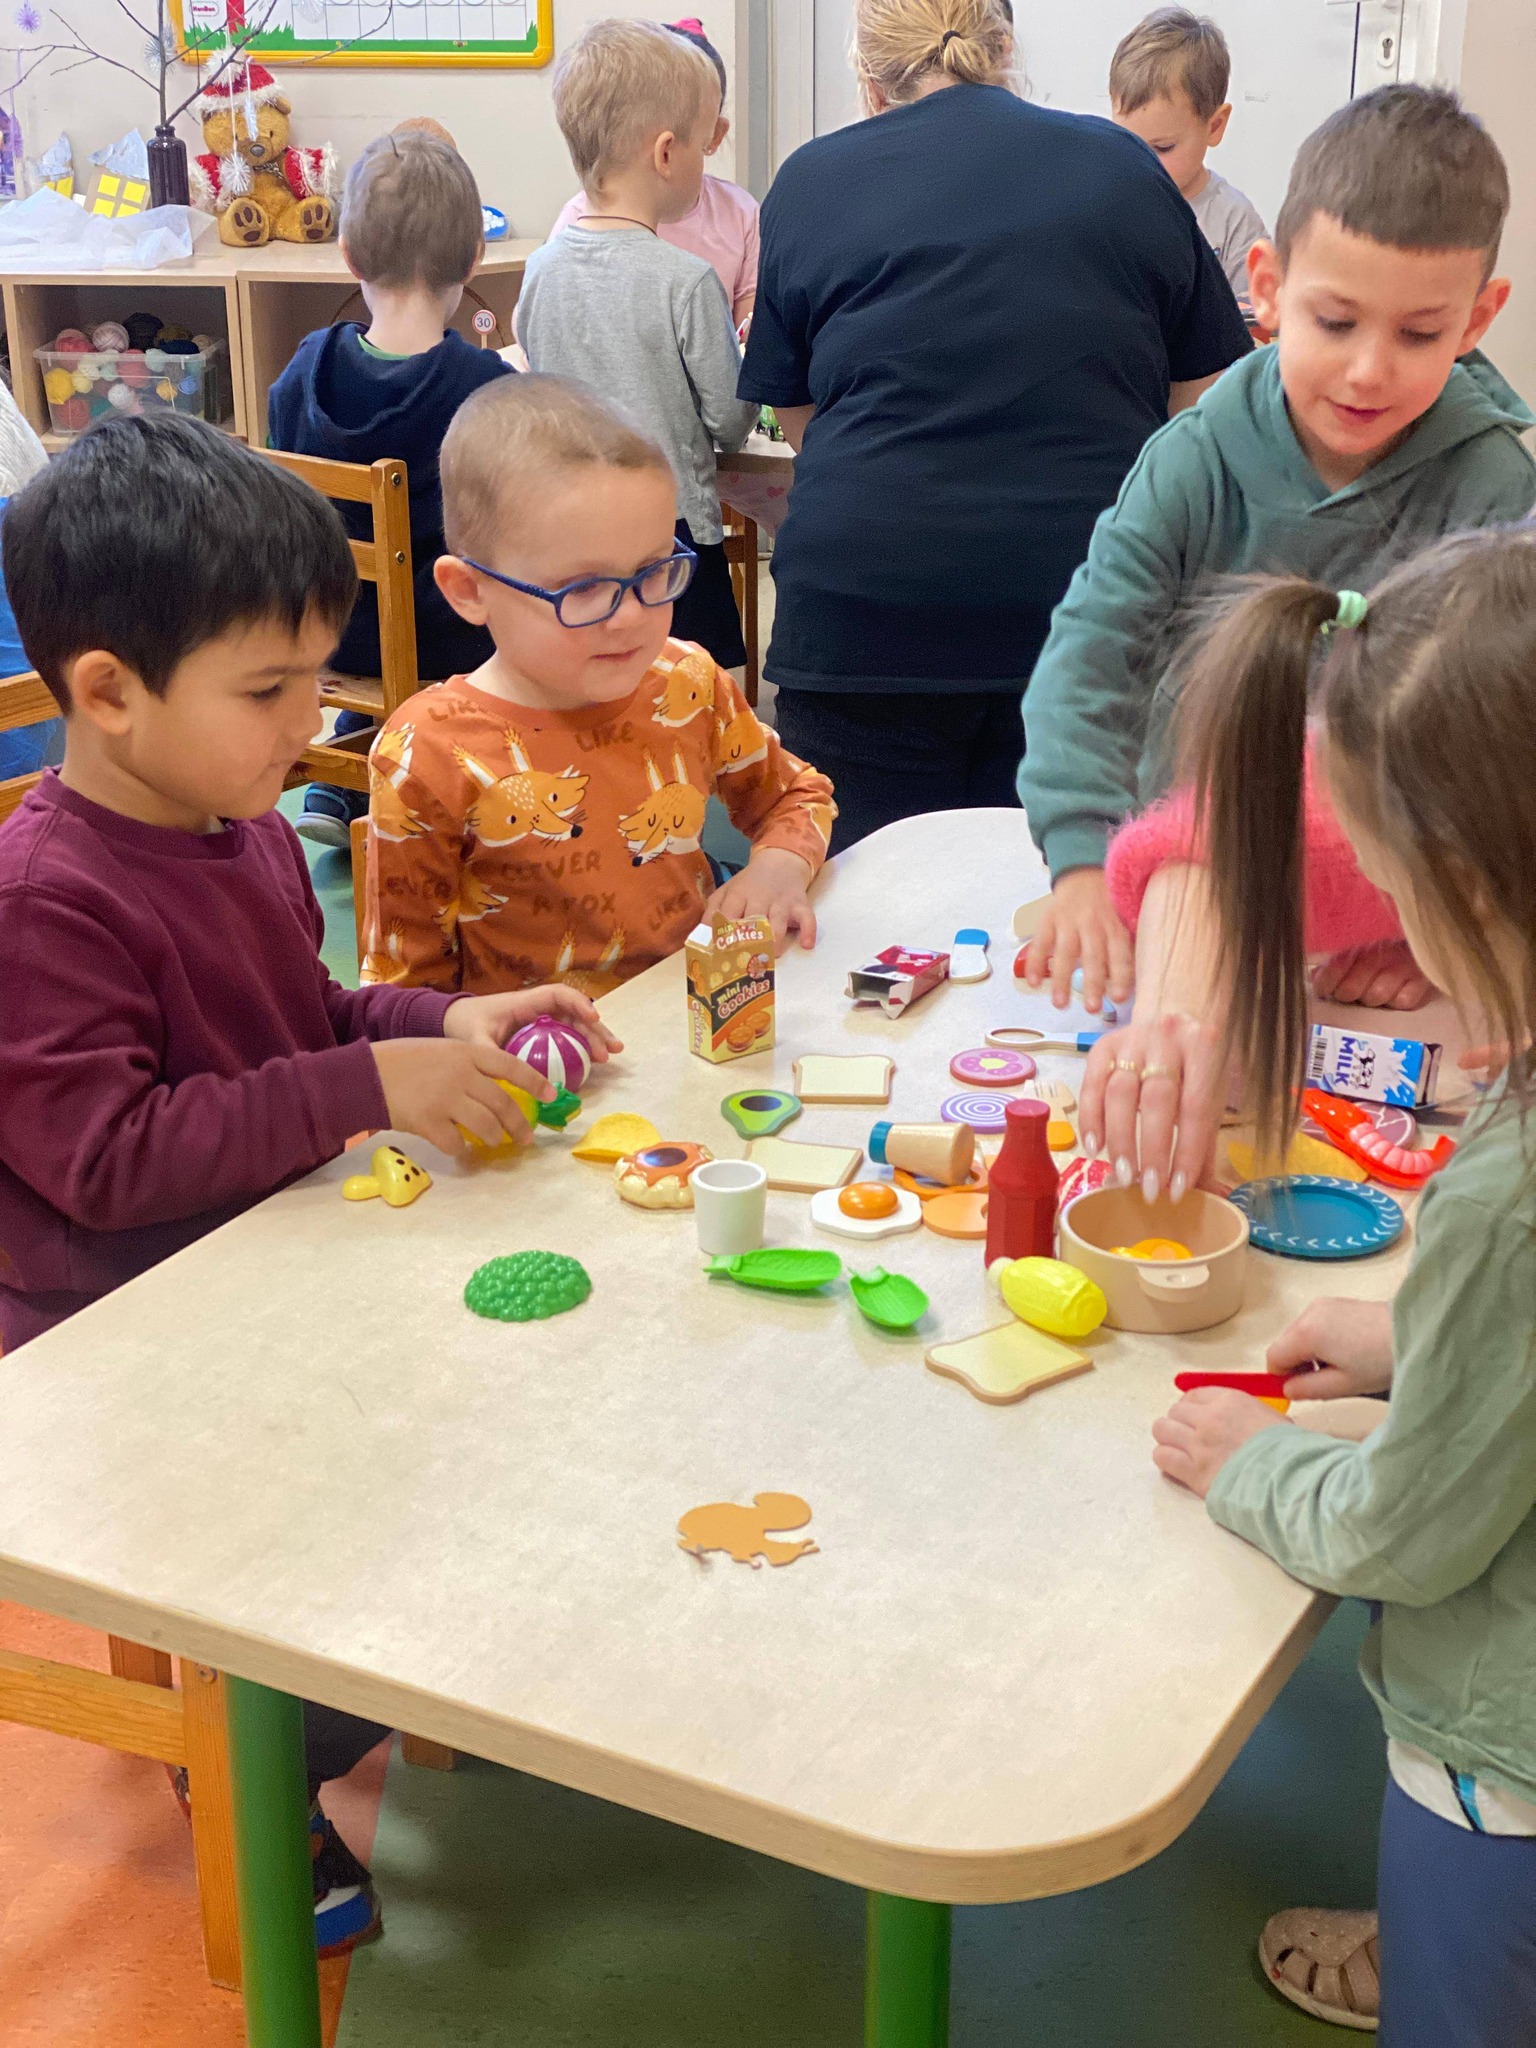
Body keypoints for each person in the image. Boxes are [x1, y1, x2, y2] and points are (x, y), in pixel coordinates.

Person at [0, 413, 616, 1949]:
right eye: (271, 691)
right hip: (117, 1344)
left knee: (505, 1403)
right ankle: (263, 1766)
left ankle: (377, 1677)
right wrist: (363, 1086)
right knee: (363, 1501)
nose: (312, 721)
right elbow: (108, 1162)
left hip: (269, 1264)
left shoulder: (245, 830)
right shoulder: (47, 901)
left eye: (320, 677)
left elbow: (309, 1025)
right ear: (107, 696)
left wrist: (431, 1021)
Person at [1136, 528, 1536, 2043]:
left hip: (1506, 1759)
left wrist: (1260, 1466)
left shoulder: (1507, 1195)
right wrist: (1418, 1341)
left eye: (1379, 881)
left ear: (1471, 889)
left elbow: (1408, 1536)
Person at [1019, 84, 1535, 1018]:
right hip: (1187, 896)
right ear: (1266, 287)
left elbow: (1504, 748)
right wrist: (1082, 859)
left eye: (1419, 334)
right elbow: (1091, 656)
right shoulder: (1194, 458)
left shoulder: (1497, 489)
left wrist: (1456, 932)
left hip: (1392, 933)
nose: (1369, 368)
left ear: (1476, 320)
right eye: (1335, 321)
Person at [739, 0, 1251, 854]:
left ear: (867, 79)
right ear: (1005, 49)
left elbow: (801, 418)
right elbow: (1205, 395)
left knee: (868, 918)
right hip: (1082, 605)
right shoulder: (1124, 167)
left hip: (864, 614)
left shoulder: (812, 179)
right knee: (1071, 923)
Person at [363, 374, 834, 996]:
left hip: (688, 1024)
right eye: (583, 588)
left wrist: (777, 866)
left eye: (653, 571)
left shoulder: (684, 680)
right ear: (470, 592)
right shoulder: (425, 752)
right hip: (543, 1079)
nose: (632, 615)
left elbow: (795, 795)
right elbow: (402, 996)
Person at [268, 128, 513, 848]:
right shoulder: (485, 387)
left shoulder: (305, 367)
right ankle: (446, 781)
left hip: (332, 633)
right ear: (473, 260)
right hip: (448, 652)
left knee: (387, 602)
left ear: (348, 254)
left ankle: (346, 778)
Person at [518, 18, 759, 670]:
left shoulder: (540, 269)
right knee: (695, 710)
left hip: (568, 533)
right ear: (665, 154)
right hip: (670, 535)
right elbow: (730, 421)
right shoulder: (686, 282)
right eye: (702, 149)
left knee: (595, 696)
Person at [548, 17, 759, 327]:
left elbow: (749, 325)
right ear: (665, 153)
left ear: (716, 135)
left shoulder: (739, 212)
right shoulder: (576, 220)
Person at [1109, 7, 1267, 324]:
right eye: (1127, 143)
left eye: (1163, 147)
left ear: (1214, 126)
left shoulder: (1233, 221)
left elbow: (1252, 332)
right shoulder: (1110, 204)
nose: (1143, 164)